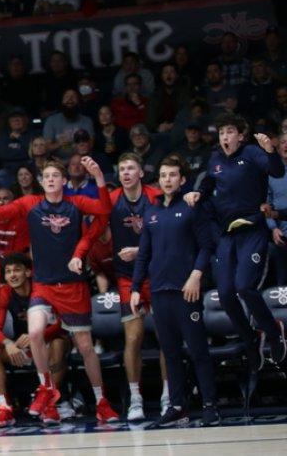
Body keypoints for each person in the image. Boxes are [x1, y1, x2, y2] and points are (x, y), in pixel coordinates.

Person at [0, 158, 120, 424]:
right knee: (34, 332)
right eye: (47, 176)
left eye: (56, 175)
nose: (52, 179)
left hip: (73, 285)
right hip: (43, 284)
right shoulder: (29, 203)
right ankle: (46, 388)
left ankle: (102, 402)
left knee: (86, 347)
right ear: (42, 182)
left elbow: (103, 207)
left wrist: (99, 176)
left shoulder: (76, 203)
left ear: (64, 181)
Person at [189, 114, 287, 384]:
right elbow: (210, 181)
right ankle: (250, 339)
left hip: (253, 230)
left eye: (230, 132)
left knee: (244, 287)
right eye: (221, 132)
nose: (225, 137)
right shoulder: (216, 158)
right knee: (224, 294)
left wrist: (270, 151)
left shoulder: (253, 153)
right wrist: (199, 193)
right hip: (227, 235)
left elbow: (277, 172)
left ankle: (274, 332)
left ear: (240, 135)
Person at [132, 156, 220, 427]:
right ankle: (178, 405)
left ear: (182, 180)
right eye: (163, 175)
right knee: (169, 352)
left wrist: (196, 276)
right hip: (159, 290)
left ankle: (210, 405)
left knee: (197, 350)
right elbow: (144, 252)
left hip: (187, 291)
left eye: (172, 175)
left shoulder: (192, 206)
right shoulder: (151, 210)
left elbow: (207, 246)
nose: (167, 179)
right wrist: (136, 287)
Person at [106, 153, 168, 420]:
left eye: (131, 168)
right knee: (133, 337)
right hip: (126, 277)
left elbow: (169, 234)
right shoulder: (111, 200)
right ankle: (135, 399)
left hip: (157, 273)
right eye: (122, 169)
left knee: (167, 336)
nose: (127, 173)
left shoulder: (155, 196)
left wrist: (141, 250)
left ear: (141, 173)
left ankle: (169, 395)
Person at [0, 254, 70, 428]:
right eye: (7, 272)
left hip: (46, 342)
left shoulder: (42, 289)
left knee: (60, 343)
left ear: (28, 272)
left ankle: (50, 404)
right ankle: (4, 407)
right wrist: (8, 344)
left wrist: (38, 335)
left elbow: (62, 322)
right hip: (20, 347)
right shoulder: (5, 293)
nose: (12, 275)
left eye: (17, 270)